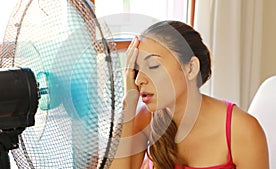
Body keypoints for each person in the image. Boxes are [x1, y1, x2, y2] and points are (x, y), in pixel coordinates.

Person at [109, 20, 269, 169]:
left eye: (153, 66)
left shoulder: (242, 130)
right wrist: (129, 101)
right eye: (136, 70)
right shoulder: (145, 118)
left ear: (191, 68)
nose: (138, 80)